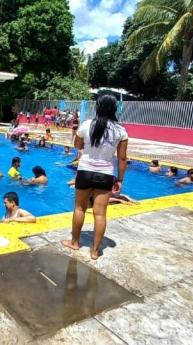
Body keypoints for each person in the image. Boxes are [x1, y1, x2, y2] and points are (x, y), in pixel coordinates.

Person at [61, 95, 128, 260]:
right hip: (105, 174)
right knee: (100, 214)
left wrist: (88, 145)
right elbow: (122, 158)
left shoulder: (87, 124)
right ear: (114, 109)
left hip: (85, 171)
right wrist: (119, 179)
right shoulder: (120, 131)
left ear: (97, 107)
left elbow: (77, 145)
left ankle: (75, 242)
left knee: (79, 208)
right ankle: (95, 251)